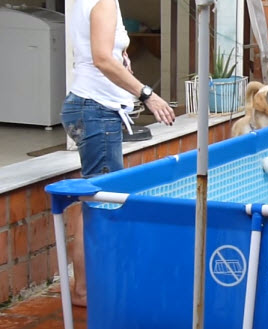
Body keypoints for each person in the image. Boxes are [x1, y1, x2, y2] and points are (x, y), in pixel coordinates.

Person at [61, 0, 175, 307]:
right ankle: (86, 291)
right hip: (95, 109)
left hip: (92, 108)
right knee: (100, 203)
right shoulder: (102, 2)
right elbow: (101, 59)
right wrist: (147, 94)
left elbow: (99, 53)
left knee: (95, 199)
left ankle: (88, 286)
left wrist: (120, 57)